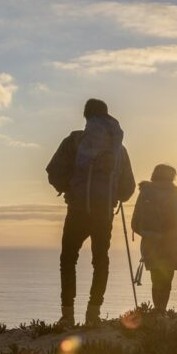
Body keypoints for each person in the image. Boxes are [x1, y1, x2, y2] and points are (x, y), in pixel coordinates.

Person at [46, 99, 135, 327]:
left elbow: (53, 171)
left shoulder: (75, 140)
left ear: (86, 116)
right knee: (100, 261)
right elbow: (129, 188)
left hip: (77, 210)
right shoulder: (119, 150)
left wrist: (68, 189)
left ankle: (67, 315)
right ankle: (93, 315)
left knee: (68, 259)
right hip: (103, 212)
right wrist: (114, 195)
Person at [130, 164, 177, 314]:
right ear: (171, 177)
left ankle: (157, 311)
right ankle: (161, 312)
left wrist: (150, 235)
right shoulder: (173, 195)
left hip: (150, 246)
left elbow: (134, 224)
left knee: (156, 280)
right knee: (166, 281)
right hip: (170, 246)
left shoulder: (145, 193)